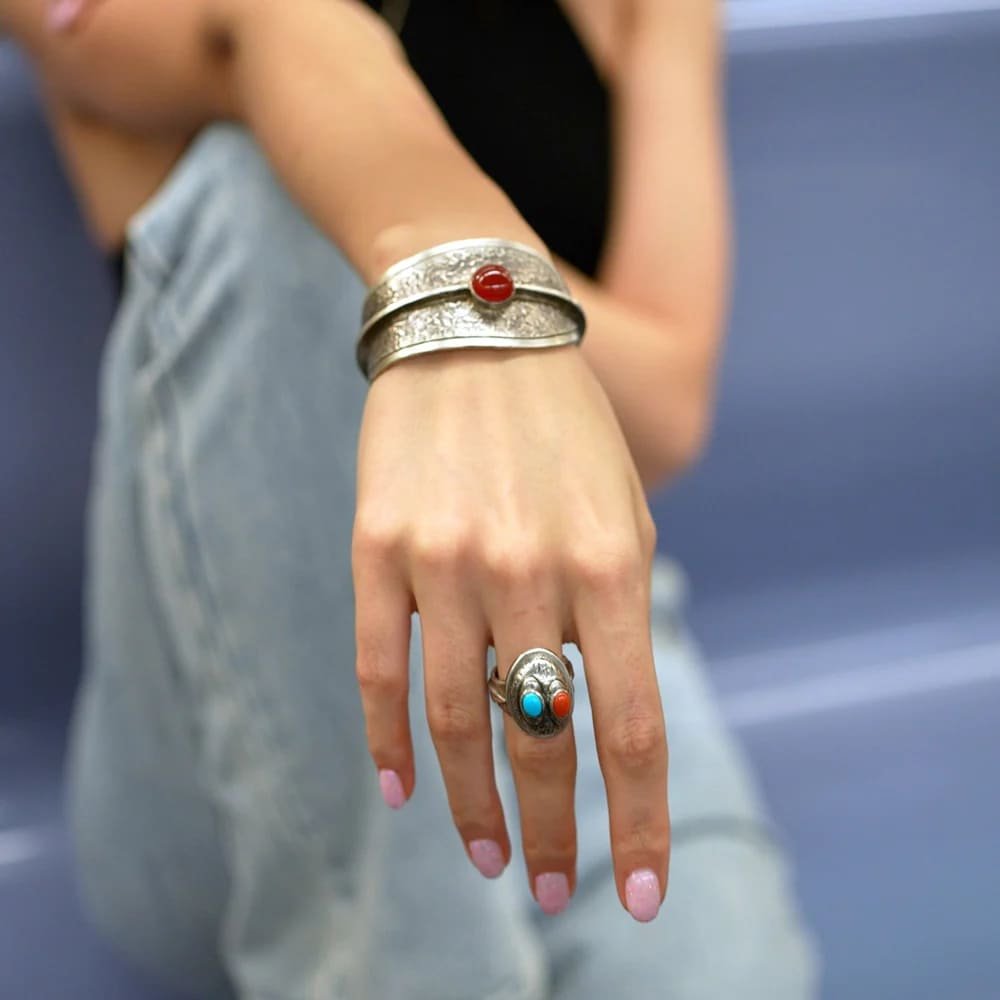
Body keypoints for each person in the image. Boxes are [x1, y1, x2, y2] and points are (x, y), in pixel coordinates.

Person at [4, 1, 818, 996]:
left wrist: (484, 308)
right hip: (226, 704)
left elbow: (671, 404)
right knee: (259, 195)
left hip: (551, 642)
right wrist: (469, 301)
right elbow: (273, 25)